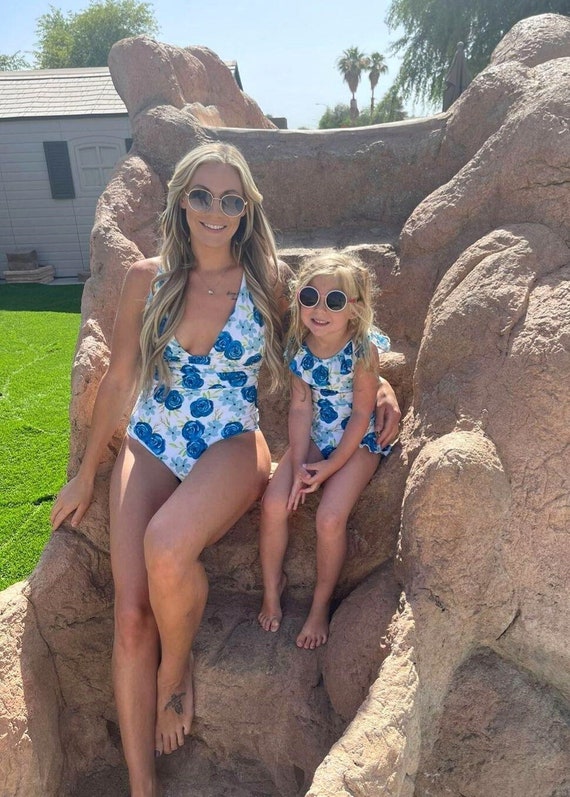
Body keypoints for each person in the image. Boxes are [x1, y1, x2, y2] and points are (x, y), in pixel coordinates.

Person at [50, 143, 400, 797]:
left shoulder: (267, 280)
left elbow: (335, 330)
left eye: (231, 199)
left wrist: (379, 385)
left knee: (165, 544)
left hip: (232, 442)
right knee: (131, 616)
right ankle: (142, 786)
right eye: (203, 195)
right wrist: (85, 470)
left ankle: (174, 672)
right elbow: (122, 375)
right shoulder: (146, 277)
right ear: (182, 201)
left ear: (246, 210)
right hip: (153, 439)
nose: (216, 209)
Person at [258, 250, 393, 650]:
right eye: (309, 297)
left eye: (334, 301)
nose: (320, 310)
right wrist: (300, 464)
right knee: (273, 504)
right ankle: (272, 587)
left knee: (330, 518)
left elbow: (362, 413)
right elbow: (301, 408)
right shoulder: (298, 346)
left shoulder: (362, 350)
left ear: (355, 308)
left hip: (358, 439)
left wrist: (331, 467)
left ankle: (320, 604)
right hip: (317, 433)